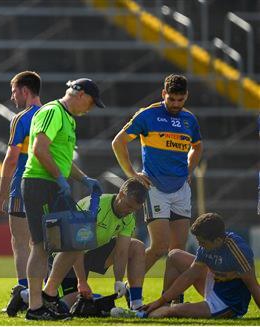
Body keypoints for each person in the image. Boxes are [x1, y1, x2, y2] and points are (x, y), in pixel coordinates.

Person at [21, 78, 105, 320]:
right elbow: (40, 149)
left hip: (52, 184)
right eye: (91, 102)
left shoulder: (67, 118)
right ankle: (36, 306)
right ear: (79, 94)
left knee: (77, 239)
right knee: (40, 247)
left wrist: (84, 179)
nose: (90, 108)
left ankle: (47, 295)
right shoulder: (52, 111)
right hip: (40, 183)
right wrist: (59, 179)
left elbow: (62, 160)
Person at [7, 177, 149, 316]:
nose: (128, 212)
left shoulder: (128, 217)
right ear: (121, 193)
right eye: (128, 206)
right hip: (66, 255)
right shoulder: (96, 206)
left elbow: (122, 252)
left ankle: (136, 303)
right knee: (66, 304)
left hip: (90, 251)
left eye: (133, 210)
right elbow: (77, 246)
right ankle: (25, 295)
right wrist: (82, 282)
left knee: (136, 246)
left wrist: (118, 280)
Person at [112, 74, 203, 274]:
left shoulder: (189, 120)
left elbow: (197, 147)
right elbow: (118, 142)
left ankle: (170, 299)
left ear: (186, 96)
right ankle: (131, 288)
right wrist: (132, 173)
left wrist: (188, 170)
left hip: (181, 189)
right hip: (155, 189)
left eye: (180, 100)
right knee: (160, 247)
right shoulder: (148, 115)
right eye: (171, 99)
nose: (176, 104)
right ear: (164, 94)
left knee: (177, 252)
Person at [135, 213, 260, 319]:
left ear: (216, 241)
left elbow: (254, 287)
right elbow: (189, 276)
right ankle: (166, 305)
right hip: (213, 285)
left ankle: (140, 314)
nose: (200, 245)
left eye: (202, 242)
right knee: (174, 256)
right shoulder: (208, 245)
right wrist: (160, 301)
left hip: (226, 303)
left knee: (170, 312)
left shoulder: (238, 251)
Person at [0, 71, 42, 310]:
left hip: (23, 188)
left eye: (14, 92)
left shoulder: (22, 118)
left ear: (24, 91)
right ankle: (46, 294)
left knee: (20, 243)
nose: (12, 97)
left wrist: (1, 196)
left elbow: (11, 160)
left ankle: (23, 293)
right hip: (51, 188)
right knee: (44, 244)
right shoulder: (56, 115)